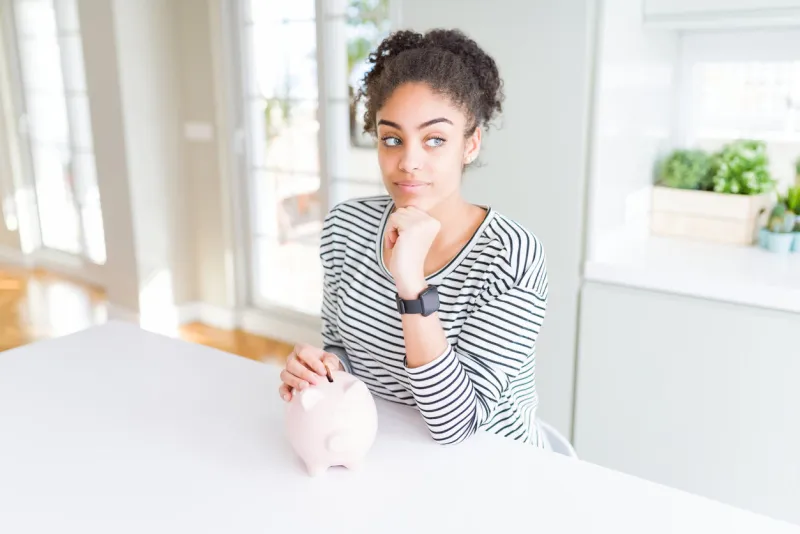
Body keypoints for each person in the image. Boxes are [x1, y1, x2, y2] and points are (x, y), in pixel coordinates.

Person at [277, 28, 550, 448]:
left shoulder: (511, 257)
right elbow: (344, 349)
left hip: (494, 463)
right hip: (383, 446)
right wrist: (323, 367)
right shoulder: (346, 228)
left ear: (471, 144)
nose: (408, 162)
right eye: (392, 139)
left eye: (435, 140)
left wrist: (412, 285)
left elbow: (455, 425)